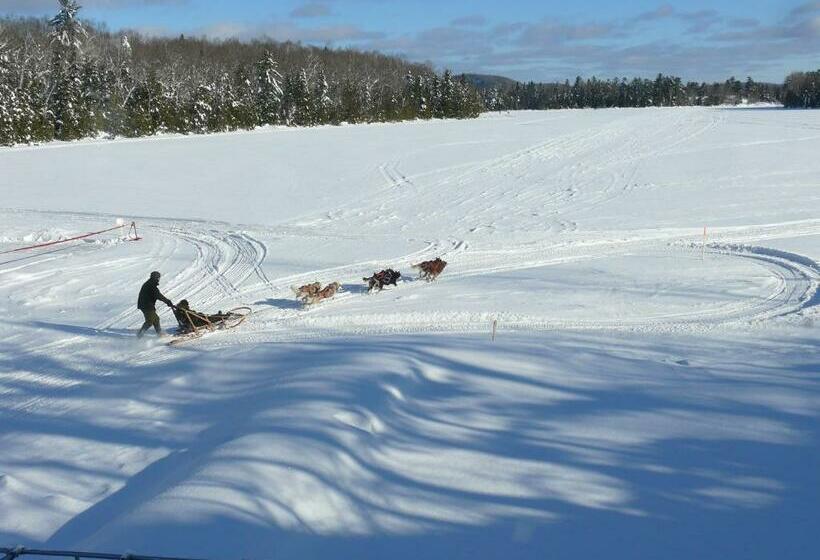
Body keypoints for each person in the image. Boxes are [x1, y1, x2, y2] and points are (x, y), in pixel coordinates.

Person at [137, 271, 174, 337]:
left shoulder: (150, 283)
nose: (159, 279)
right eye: (158, 278)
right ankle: (139, 335)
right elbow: (158, 295)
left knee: (156, 319)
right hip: (146, 305)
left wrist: (167, 301)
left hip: (147, 304)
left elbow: (157, 294)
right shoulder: (151, 285)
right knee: (150, 320)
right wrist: (167, 301)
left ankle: (159, 333)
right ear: (156, 277)